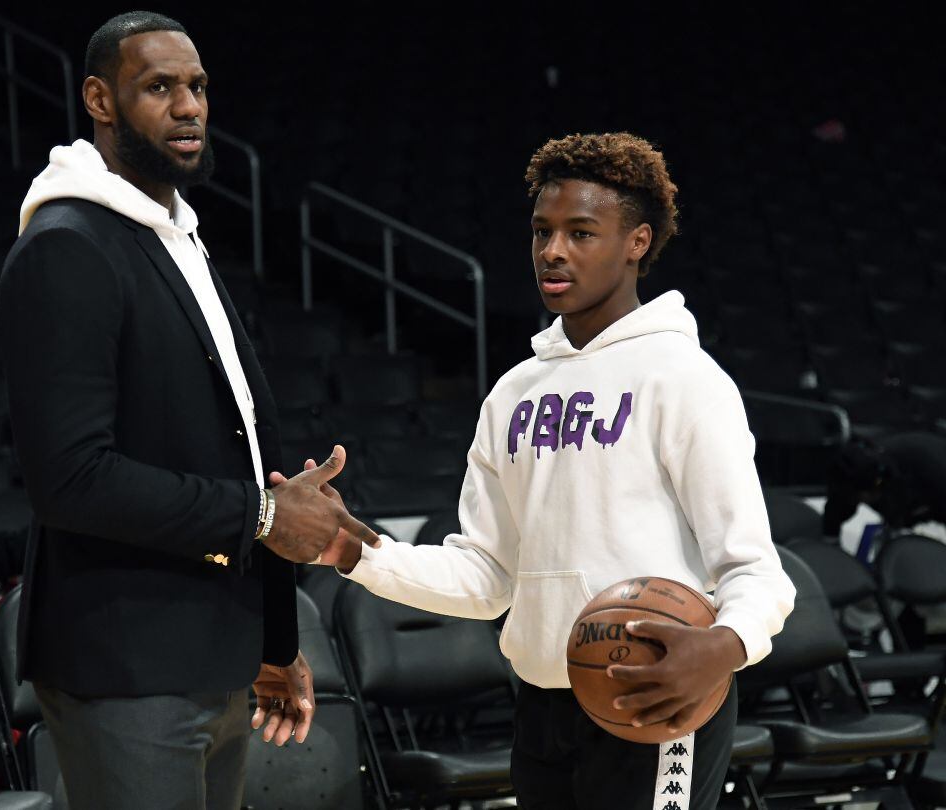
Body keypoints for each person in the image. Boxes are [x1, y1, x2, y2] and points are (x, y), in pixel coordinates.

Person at [303, 133, 796, 809]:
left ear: (638, 242)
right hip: (541, 703)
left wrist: (725, 646)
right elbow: (486, 576)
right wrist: (357, 553)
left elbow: (755, 570)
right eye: (542, 232)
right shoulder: (513, 394)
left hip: (651, 699)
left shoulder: (684, 379)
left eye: (581, 232)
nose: (553, 251)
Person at [0, 11, 379, 810]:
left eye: (198, 86)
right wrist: (267, 514)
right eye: (159, 87)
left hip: (213, 653)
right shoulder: (68, 243)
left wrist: (275, 642)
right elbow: (69, 479)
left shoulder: (177, 238)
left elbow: (243, 449)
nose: (188, 107)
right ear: (99, 100)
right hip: (126, 663)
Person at [822, 431, 946, 538]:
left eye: (866, 496)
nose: (864, 500)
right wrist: (831, 541)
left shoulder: (933, 474)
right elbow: (835, 512)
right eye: (858, 498)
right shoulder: (848, 477)